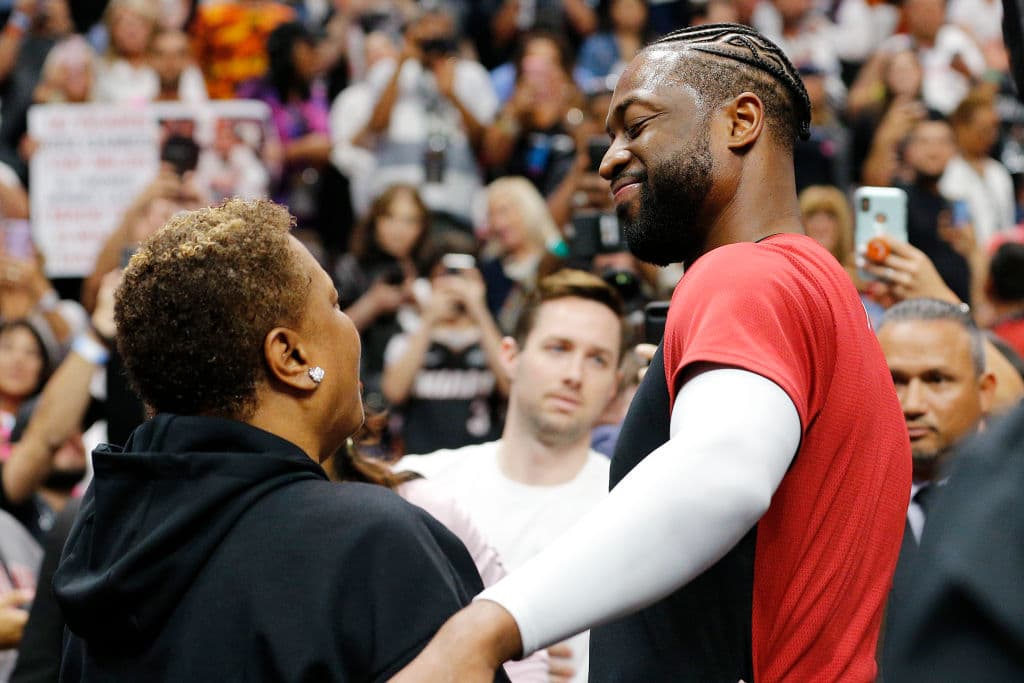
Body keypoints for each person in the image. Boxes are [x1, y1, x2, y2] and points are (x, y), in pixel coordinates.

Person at [391, 23, 910, 682]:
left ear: (740, 121)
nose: (609, 158)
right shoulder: (825, 291)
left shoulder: (744, 274)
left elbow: (725, 470)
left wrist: (485, 625)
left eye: (636, 126)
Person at [51, 199, 508, 682]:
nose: (349, 324)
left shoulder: (100, 540)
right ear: (290, 356)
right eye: (334, 304)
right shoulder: (372, 542)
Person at [395, 269, 624, 683]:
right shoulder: (422, 485)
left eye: (598, 358)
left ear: (613, 386)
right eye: (558, 348)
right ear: (510, 356)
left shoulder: (629, 506)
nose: (575, 374)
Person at [875, 298, 996, 676]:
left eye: (936, 379)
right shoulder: (834, 511)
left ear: (986, 391)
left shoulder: (1010, 505)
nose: (912, 404)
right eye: (894, 380)